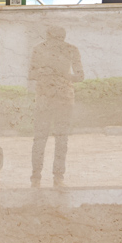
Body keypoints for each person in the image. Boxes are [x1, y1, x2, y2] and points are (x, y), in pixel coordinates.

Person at [29, 24, 83, 187]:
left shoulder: (71, 50)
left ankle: (58, 176)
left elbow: (80, 76)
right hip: (44, 98)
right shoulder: (39, 49)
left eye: (59, 38)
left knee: (62, 139)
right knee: (40, 138)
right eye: (53, 38)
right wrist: (44, 72)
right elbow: (31, 73)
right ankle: (35, 176)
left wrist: (64, 75)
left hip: (64, 99)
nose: (56, 42)